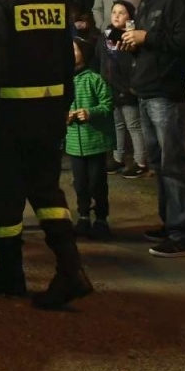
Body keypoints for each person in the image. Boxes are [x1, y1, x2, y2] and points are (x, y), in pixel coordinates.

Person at [0, 0, 92, 309]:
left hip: (9, 113)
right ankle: (70, 270)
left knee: (4, 194)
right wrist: (65, 100)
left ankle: (10, 270)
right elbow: (66, 54)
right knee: (46, 190)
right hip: (50, 111)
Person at [124, 0, 185, 258]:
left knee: (175, 164)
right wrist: (132, 43)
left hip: (166, 94)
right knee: (158, 164)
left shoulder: (175, 0)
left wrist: (147, 36)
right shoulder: (145, 2)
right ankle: (170, 223)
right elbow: (150, 43)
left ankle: (184, 235)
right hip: (145, 91)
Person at [66, 36, 115, 240]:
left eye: (74, 50)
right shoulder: (65, 82)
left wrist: (90, 113)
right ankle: (83, 216)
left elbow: (107, 104)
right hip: (74, 144)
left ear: (84, 54)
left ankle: (101, 218)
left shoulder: (95, 79)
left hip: (95, 142)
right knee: (80, 183)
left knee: (97, 182)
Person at [101, 0, 149, 178]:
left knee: (133, 125)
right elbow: (102, 61)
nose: (116, 15)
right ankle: (118, 158)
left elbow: (132, 64)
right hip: (110, 89)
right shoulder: (105, 36)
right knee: (117, 125)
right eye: (114, 12)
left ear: (130, 17)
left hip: (128, 89)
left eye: (122, 12)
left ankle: (141, 162)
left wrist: (130, 87)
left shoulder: (131, 37)